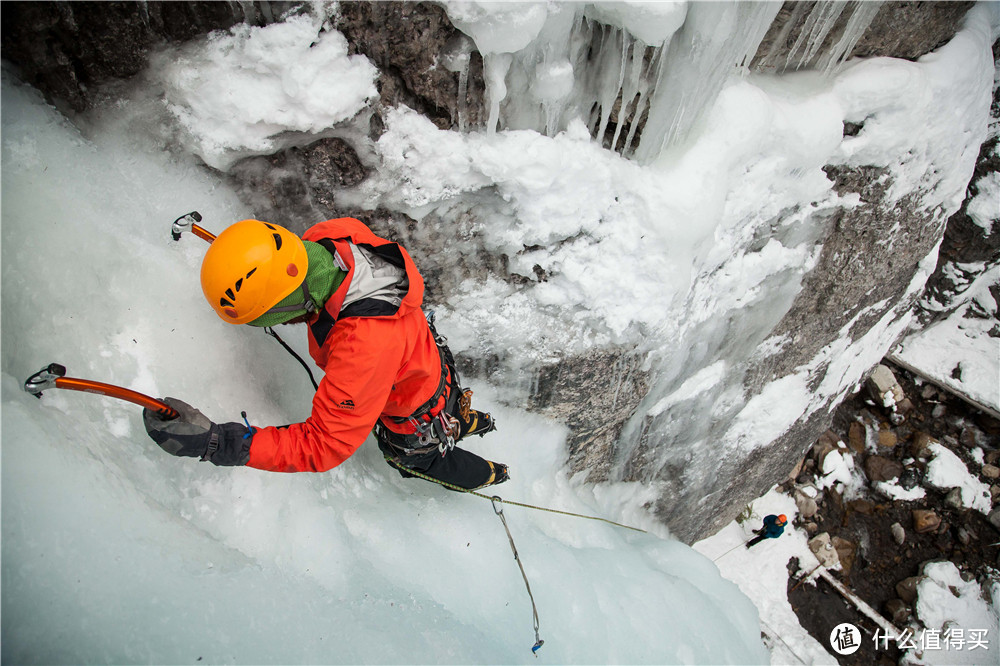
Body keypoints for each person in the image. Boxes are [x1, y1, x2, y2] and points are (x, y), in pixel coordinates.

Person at [142, 217, 507, 490]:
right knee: (448, 409)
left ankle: (494, 474)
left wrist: (220, 443)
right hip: (425, 360)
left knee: (415, 459)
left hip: (410, 406)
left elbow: (324, 443)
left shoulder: (364, 344)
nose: (283, 325)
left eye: (273, 317)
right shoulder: (329, 237)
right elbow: (278, 262)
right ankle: (477, 421)